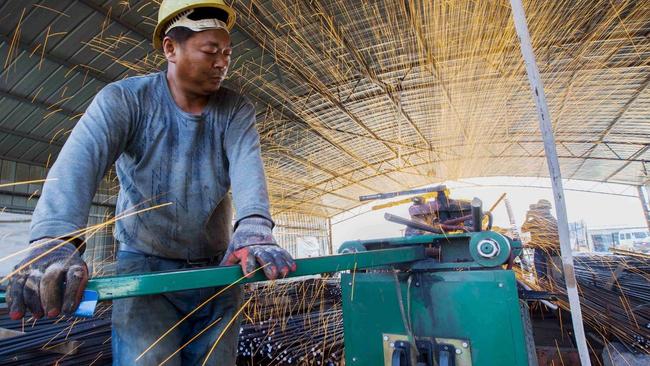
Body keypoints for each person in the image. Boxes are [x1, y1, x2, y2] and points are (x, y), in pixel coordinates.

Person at [5, 1, 296, 364]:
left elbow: (248, 168)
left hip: (219, 269)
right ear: (170, 49)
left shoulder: (235, 110)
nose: (222, 63)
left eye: (226, 53)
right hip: (144, 272)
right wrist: (55, 240)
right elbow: (78, 165)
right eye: (210, 51)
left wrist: (254, 227)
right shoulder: (125, 101)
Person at [521, 199, 560, 282]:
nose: (543, 210)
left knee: (556, 275)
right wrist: (527, 218)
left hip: (553, 250)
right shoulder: (534, 221)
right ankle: (543, 283)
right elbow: (524, 229)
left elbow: (557, 234)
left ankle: (556, 286)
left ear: (549, 209)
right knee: (541, 275)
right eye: (541, 208)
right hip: (539, 249)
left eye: (545, 208)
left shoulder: (552, 221)